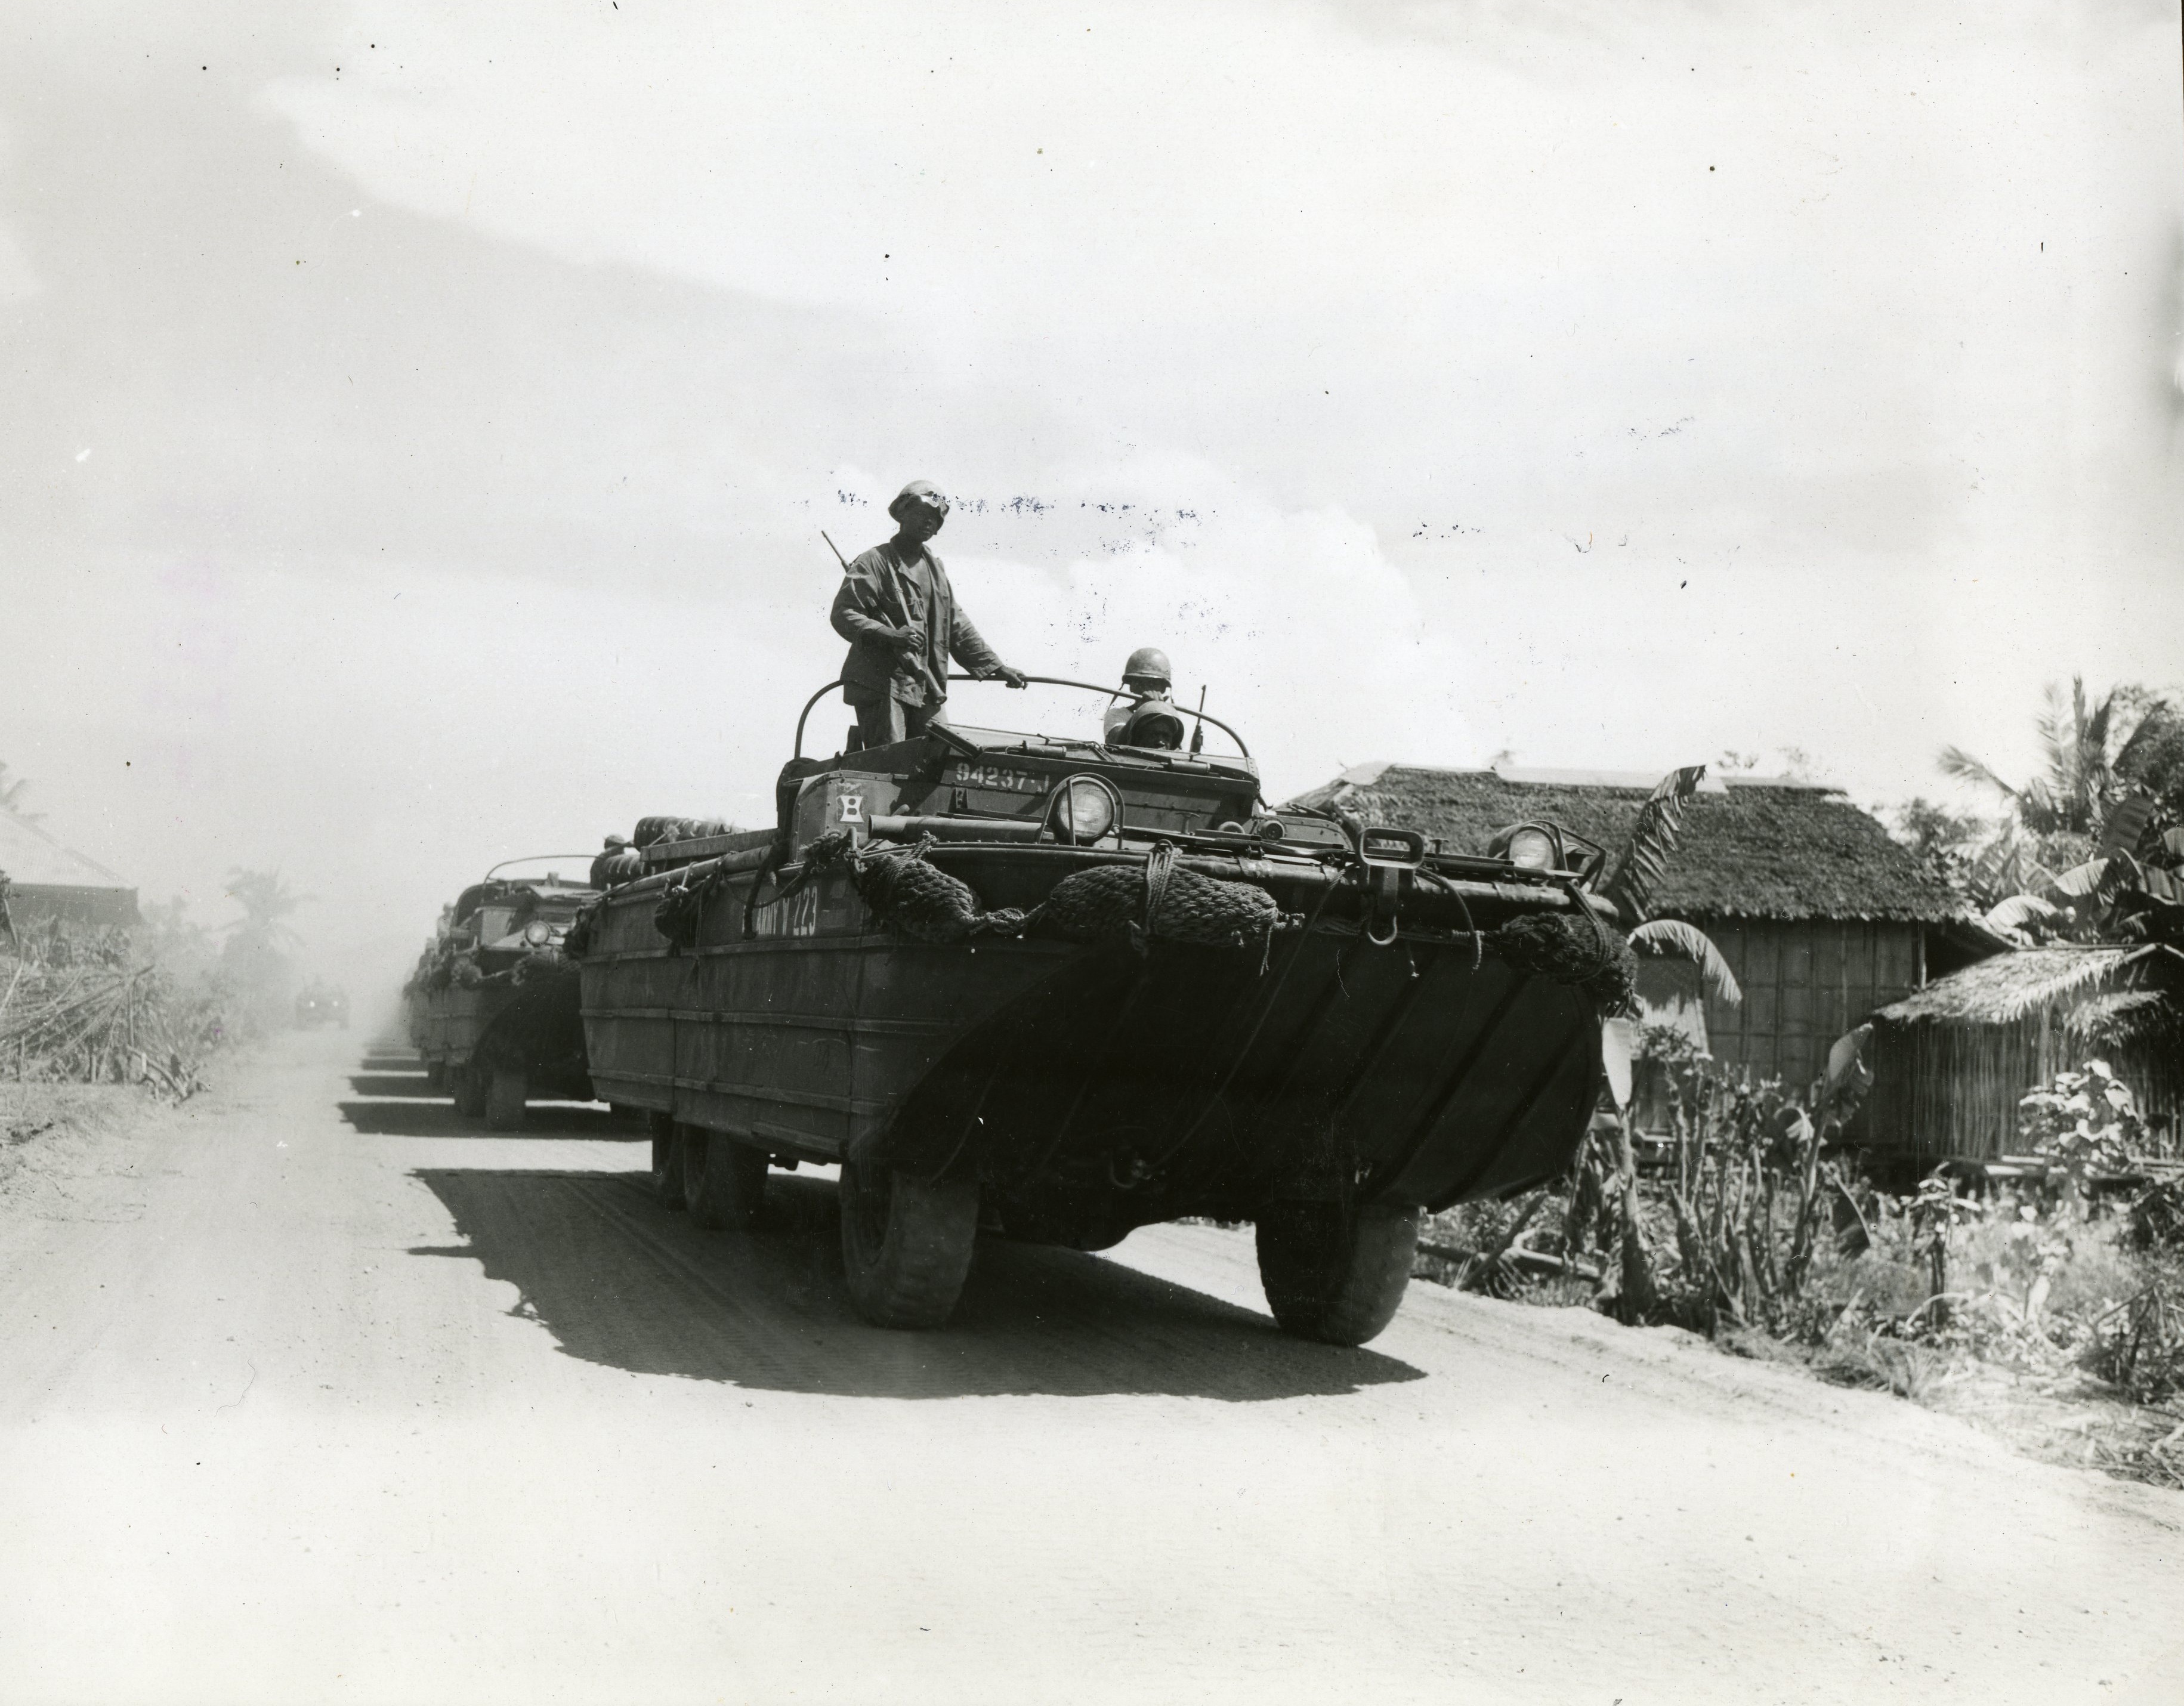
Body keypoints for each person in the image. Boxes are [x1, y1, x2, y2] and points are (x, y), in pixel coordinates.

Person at [830, 480, 1026, 748]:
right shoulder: (874, 561)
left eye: (936, 518)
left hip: (926, 684)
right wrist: (890, 635)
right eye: (921, 514)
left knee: (941, 753)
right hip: (882, 683)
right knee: (890, 762)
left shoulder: (936, 570)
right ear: (902, 514)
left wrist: (998, 668)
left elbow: (956, 625)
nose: (929, 522)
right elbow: (844, 613)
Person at [1102, 646, 1187, 749]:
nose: (1147, 689)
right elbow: (1118, 743)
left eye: (1154, 684)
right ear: (1132, 686)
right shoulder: (1117, 714)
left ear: (1163, 688)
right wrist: (1144, 710)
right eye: (1141, 683)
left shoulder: (1171, 718)